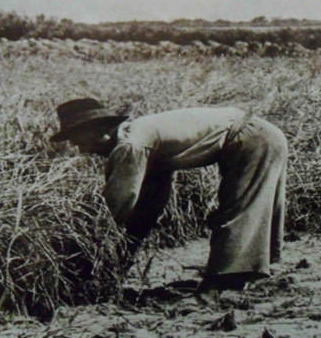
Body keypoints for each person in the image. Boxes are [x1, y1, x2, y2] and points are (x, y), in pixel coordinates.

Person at [50, 98, 288, 300]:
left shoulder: (132, 145)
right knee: (245, 207)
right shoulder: (143, 140)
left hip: (254, 139)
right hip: (257, 136)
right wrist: (123, 252)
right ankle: (238, 277)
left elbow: (118, 207)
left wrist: (92, 246)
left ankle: (223, 286)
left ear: (98, 131)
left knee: (240, 211)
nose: (80, 150)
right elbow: (148, 203)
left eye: (79, 141)